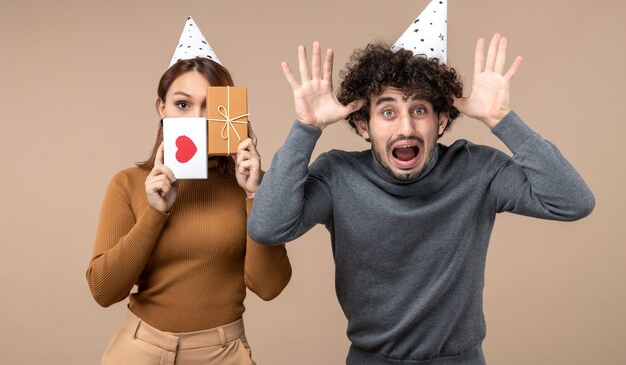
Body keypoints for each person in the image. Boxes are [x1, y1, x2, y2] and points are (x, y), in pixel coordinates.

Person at [247, 36, 594, 365]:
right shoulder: (339, 175)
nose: (406, 129)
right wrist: (305, 127)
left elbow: (573, 201)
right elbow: (267, 227)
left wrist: (501, 119)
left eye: (419, 110)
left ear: (441, 120)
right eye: (387, 112)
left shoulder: (478, 170)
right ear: (363, 125)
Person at [86, 19, 291, 365]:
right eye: (183, 104)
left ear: (229, 112)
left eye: (210, 106)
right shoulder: (128, 184)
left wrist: (255, 196)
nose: (198, 118)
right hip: (140, 350)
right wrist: (155, 212)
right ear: (161, 109)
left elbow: (270, 287)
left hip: (223, 352)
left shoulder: (250, 187)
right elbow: (104, 291)